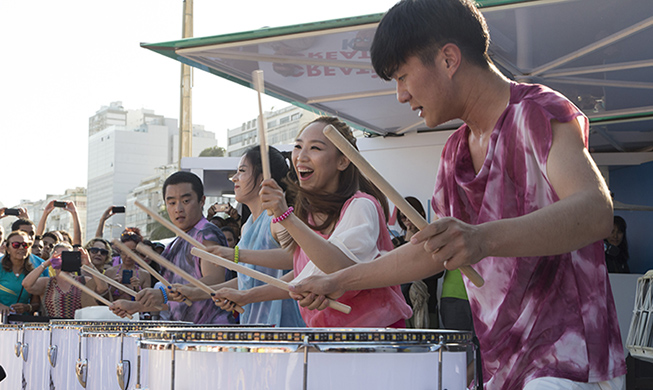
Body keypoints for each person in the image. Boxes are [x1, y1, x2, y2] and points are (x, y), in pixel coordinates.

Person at [289, 1, 625, 389]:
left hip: (570, 362)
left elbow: (596, 209)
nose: (400, 95)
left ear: (448, 58)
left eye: (402, 76)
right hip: (502, 364)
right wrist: (338, 281)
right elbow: (427, 252)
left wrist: (481, 238)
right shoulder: (453, 154)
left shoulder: (537, 112)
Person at [211, 117, 412, 328]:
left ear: (343, 161)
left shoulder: (362, 205)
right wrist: (246, 296)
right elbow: (303, 276)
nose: (301, 156)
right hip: (328, 341)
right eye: (298, 147)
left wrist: (284, 217)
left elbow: (338, 270)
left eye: (315, 148)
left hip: (372, 342)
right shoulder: (306, 216)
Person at [174, 146, 306, 327]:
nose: (234, 178)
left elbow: (297, 260)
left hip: (283, 328)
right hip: (253, 326)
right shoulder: (247, 226)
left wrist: (235, 255)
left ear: (263, 178)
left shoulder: (278, 220)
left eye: (242, 171)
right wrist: (198, 293)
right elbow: (248, 280)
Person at [110, 171, 234, 324]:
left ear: (202, 201)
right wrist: (136, 306)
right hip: (185, 332)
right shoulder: (173, 246)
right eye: (172, 202)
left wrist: (163, 293)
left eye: (186, 201)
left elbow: (215, 280)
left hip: (210, 332)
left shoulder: (206, 233)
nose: (178, 209)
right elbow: (175, 303)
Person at [23, 243, 108, 318]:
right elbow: (26, 284)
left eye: (68, 255)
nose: (64, 259)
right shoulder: (47, 283)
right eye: (60, 256)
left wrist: (89, 264)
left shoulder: (83, 281)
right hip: (54, 329)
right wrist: (47, 263)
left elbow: (103, 287)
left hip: (78, 329)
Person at [394, 197, 443, 329]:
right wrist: (407, 242)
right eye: (403, 217)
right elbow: (395, 271)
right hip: (402, 307)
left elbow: (438, 271)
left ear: (421, 214)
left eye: (410, 215)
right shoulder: (396, 243)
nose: (407, 220)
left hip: (427, 305)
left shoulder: (431, 241)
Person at [0, 231, 40, 316]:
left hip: (21, 322)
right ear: (7, 249)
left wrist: (27, 307)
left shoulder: (34, 272)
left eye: (25, 245)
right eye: (16, 245)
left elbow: (37, 303)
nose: (21, 248)